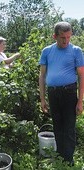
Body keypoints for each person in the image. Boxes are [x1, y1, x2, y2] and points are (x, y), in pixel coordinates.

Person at [39, 21, 84, 165]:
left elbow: (81, 76)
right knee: (57, 126)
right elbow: (42, 76)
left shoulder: (76, 51)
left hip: (69, 93)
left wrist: (80, 101)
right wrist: (42, 99)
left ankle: (68, 159)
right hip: (53, 94)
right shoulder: (47, 51)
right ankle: (60, 156)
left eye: (69, 37)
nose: (66, 41)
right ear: (55, 36)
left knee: (69, 127)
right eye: (63, 38)